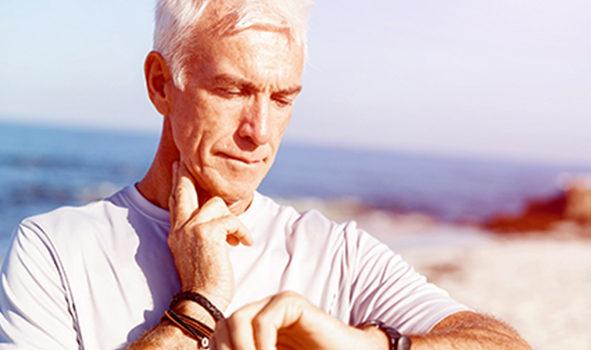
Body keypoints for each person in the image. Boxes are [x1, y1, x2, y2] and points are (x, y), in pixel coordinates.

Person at [0, 1, 530, 349]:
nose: (260, 131)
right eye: (231, 91)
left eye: (282, 99)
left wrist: (369, 344)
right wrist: (198, 302)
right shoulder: (54, 249)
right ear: (161, 83)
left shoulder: (335, 252)